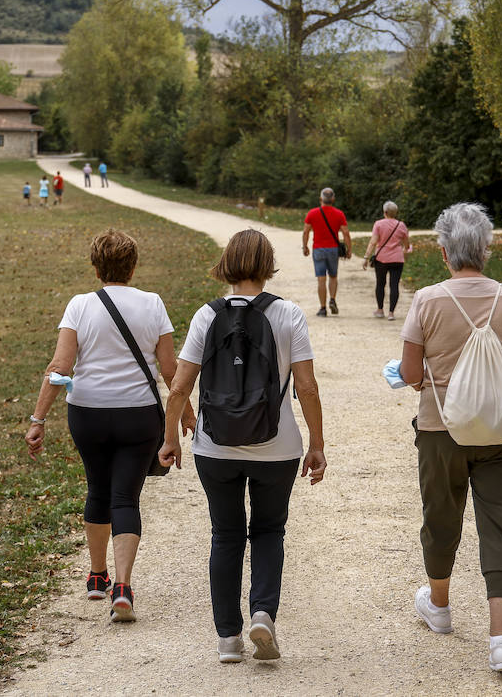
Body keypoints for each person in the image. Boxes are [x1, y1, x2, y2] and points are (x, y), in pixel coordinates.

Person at [159, 229, 326, 663]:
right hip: (278, 446)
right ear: (268, 265)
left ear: (227, 264)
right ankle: (263, 614)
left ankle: (227, 639)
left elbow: (179, 386)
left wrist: (170, 438)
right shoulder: (288, 315)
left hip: (214, 447)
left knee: (225, 534)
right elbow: (306, 388)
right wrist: (317, 444)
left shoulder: (205, 316)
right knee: (269, 531)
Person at [396, 202, 502, 675]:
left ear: (443, 252)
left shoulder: (428, 300)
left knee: (441, 517)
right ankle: (501, 640)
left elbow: (413, 374)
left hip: (441, 431)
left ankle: (438, 606)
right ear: (486, 250)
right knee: (499, 526)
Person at [26, 229, 185, 623]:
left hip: (88, 413)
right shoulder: (153, 304)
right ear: (132, 266)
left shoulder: (80, 305)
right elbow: (170, 371)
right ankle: (124, 588)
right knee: (125, 498)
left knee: (97, 489)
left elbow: (60, 368)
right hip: (139, 415)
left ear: (96, 267)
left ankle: (97, 577)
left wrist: (38, 419)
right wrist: (187, 415)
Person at [301, 187, 351, 317]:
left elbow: (306, 231)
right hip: (333, 249)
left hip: (318, 249)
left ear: (320, 199)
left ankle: (323, 309)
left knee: (321, 279)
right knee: (333, 276)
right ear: (333, 199)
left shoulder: (312, 213)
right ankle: (333, 299)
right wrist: (349, 249)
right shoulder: (339, 214)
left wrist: (305, 246)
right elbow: (345, 232)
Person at [362, 200, 410, 319]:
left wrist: (366, 257)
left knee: (380, 284)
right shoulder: (401, 225)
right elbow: (407, 245)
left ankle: (380, 310)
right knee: (394, 285)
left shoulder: (378, 224)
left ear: (385, 212)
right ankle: (391, 313)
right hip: (397, 259)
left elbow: (373, 242)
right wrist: (405, 249)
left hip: (381, 259)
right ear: (396, 212)